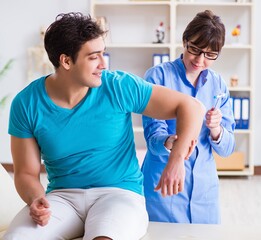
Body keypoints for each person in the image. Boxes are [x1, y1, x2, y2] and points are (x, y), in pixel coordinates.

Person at [3, 12, 205, 240]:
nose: (103, 64)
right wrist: (36, 198)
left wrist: (176, 159)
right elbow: (26, 173)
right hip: (62, 198)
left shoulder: (117, 86)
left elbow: (191, 107)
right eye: (93, 57)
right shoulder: (27, 103)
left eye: (103, 54)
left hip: (119, 195)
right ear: (66, 61)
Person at [141, 10, 235, 224]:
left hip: (204, 191)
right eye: (195, 50)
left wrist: (216, 129)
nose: (200, 60)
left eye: (210, 55)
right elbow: (152, 138)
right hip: (164, 186)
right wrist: (174, 142)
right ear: (184, 41)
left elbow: (228, 148)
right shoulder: (158, 76)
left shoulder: (218, 84)